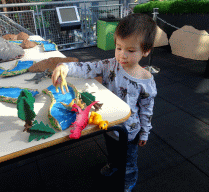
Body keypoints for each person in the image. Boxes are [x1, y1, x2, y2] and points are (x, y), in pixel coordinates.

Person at [52, 13, 157, 192]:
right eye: (118, 47)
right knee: (112, 152)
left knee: (129, 161)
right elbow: (87, 67)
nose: (122, 55)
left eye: (130, 51)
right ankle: (113, 164)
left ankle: (128, 180)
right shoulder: (109, 65)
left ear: (145, 51)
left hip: (130, 132)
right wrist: (65, 66)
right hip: (108, 125)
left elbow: (147, 110)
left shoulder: (146, 81)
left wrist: (145, 133)